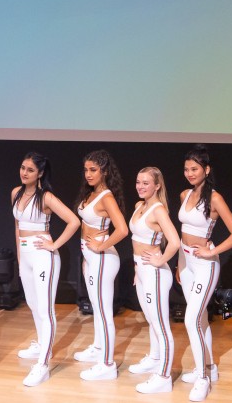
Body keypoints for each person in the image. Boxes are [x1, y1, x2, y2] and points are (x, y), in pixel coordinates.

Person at [177, 144, 232, 401]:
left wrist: (211, 251)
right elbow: (183, 233)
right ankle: (209, 367)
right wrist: (180, 263)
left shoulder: (215, 199)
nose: (189, 173)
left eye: (194, 169)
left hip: (205, 265)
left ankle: (202, 380)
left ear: (206, 170)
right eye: (186, 169)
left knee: (190, 318)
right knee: (200, 318)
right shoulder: (184, 195)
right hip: (186, 262)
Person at [11, 151, 81, 387]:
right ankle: (43, 345)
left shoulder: (46, 197)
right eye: (23, 168)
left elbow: (74, 221)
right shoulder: (15, 193)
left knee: (45, 309)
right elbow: (17, 226)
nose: (24, 173)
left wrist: (54, 245)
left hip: (43, 256)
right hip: (26, 256)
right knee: (32, 304)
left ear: (40, 173)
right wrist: (20, 256)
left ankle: (42, 365)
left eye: (30, 170)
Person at [74, 149, 129, 380]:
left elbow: (123, 229)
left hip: (102, 259)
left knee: (104, 312)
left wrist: (101, 246)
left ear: (104, 171)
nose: (88, 174)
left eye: (93, 170)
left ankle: (107, 364)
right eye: (86, 170)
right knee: (97, 307)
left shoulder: (106, 196)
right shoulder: (91, 193)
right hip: (90, 257)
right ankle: (98, 347)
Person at [128, 167, 181, 394]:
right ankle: (154, 358)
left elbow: (175, 242)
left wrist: (160, 260)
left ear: (157, 186)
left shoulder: (158, 209)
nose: (140, 186)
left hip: (155, 273)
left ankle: (163, 377)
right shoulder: (139, 206)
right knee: (151, 319)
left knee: (160, 324)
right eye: (138, 182)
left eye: (146, 183)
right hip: (142, 270)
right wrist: (137, 268)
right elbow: (136, 240)